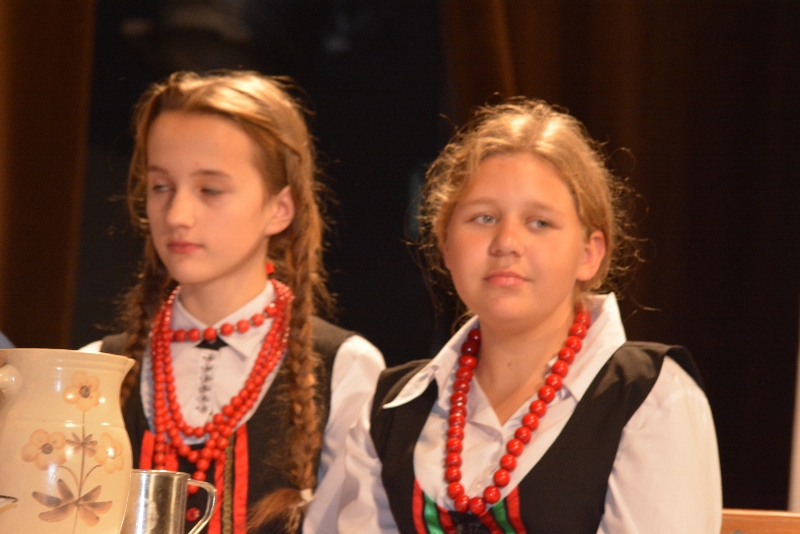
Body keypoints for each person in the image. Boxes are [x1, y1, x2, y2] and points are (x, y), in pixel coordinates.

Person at [337, 99, 721, 533]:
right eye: (483, 217)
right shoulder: (388, 410)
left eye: (539, 223)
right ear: (446, 245)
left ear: (589, 254)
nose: (506, 242)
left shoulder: (649, 396)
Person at [81, 70, 384, 533]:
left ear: (280, 209)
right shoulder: (96, 370)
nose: (177, 215)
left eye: (210, 190)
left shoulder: (345, 369)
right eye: (161, 186)